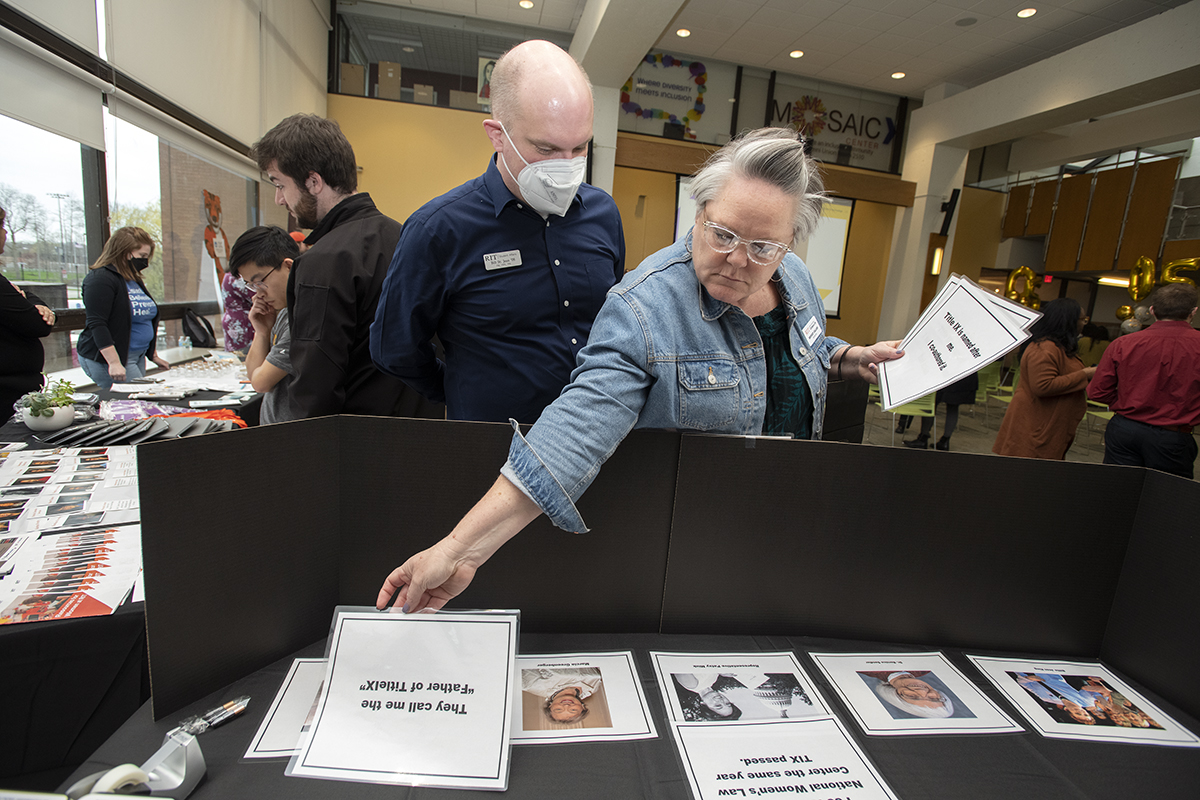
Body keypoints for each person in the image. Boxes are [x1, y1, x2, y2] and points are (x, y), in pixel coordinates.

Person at [376, 128, 903, 614]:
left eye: (763, 247)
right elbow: (572, 433)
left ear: (789, 244)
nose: (738, 260)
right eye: (722, 234)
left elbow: (794, 350)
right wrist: (459, 551)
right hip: (693, 555)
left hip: (790, 528)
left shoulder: (796, 278)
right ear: (698, 213)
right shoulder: (644, 309)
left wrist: (845, 357)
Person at [370, 40, 625, 423]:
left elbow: (613, 326)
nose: (567, 166)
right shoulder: (438, 230)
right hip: (491, 448)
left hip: (593, 441)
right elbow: (394, 347)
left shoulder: (603, 214)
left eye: (581, 147)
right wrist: (459, 392)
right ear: (497, 135)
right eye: (547, 148)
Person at [251, 114, 434, 418]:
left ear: (313, 182)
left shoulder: (322, 261)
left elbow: (315, 385)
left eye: (281, 185)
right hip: (418, 431)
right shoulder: (406, 236)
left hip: (356, 443)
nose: (279, 199)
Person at [1088, 283, 1199, 478]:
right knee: (1165, 498)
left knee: (1119, 491)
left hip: (1124, 429)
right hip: (1173, 435)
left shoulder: (1123, 343)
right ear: (1193, 312)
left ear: (1152, 310)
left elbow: (1097, 392)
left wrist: (1127, 403)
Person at [992, 297, 1095, 460]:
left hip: (1049, 428)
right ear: (1068, 321)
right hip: (1034, 429)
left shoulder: (1059, 347)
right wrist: (1085, 374)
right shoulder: (1044, 348)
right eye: (1083, 319)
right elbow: (1043, 386)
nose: (1084, 324)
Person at [76, 226, 170, 390]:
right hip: (114, 359)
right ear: (126, 253)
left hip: (136, 356)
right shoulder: (100, 279)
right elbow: (97, 323)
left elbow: (145, 318)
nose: (144, 261)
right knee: (138, 401)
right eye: (142, 256)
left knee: (140, 401)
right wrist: (114, 362)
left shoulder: (133, 279)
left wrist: (152, 355)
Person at [228, 226, 301, 425]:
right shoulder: (284, 311)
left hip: (291, 438)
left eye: (260, 282)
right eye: (251, 286)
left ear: (288, 266)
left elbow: (261, 383)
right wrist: (261, 331)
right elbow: (253, 375)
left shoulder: (300, 316)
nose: (258, 294)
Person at [1, 204, 56, 423]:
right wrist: (28, 299)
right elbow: (38, 324)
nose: (5, 233)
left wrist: (25, 297)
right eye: (3, 226)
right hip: (7, 394)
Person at [902, 372, 978, 451]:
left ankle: (923, 438)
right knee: (953, 407)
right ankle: (944, 441)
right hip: (964, 374)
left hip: (946, 373)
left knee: (931, 403)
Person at [858, 670, 955, 719]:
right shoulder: (925, 669)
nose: (922, 691)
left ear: (895, 695)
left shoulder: (867, 671)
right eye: (933, 698)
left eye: (912, 696)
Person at [521, 667, 602, 724]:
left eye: (559, 709)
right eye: (573, 710)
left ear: (550, 706)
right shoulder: (593, 688)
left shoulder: (532, 685)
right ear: (583, 707)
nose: (566, 705)